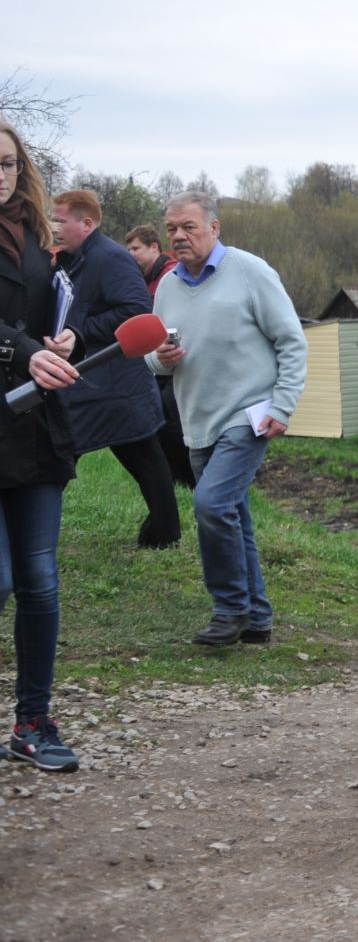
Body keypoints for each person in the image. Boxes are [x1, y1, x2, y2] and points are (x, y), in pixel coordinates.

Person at [149, 191, 307, 648]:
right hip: (197, 417)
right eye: (172, 229)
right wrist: (161, 359)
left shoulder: (249, 271)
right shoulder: (167, 287)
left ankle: (229, 607)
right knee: (233, 514)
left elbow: (292, 340)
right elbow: (153, 360)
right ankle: (257, 619)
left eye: (189, 227)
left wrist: (282, 405)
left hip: (249, 413)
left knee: (212, 504)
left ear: (214, 228)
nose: (179, 236)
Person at [0, 119, 84, 772]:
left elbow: (54, 311)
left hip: (35, 426)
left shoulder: (36, 236)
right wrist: (25, 351)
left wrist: (62, 339)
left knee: (40, 580)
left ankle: (33, 721)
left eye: (5, 163)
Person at [51, 190, 177, 549]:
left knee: (60, 454)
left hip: (114, 383)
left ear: (87, 223)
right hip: (98, 383)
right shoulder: (72, 259)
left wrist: (78, 333)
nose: (54, 227)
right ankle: (165, 532)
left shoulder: (111, 258)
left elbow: (137, 311)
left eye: (60, 220)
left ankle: (165, 533)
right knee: (143, 459)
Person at [124, 225, 195, 490]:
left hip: (181, 362)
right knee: (163, 423)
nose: (131, 254)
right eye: (128, 249)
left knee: (174, 425)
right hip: (159, 361)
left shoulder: (171, 275)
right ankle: (178, 478)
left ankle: (189, 478)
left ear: (154, 247)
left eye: (136, 249)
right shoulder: (146, 277)